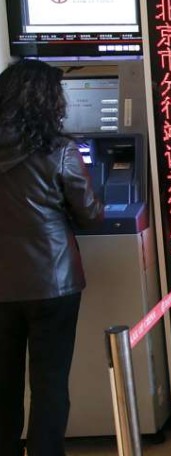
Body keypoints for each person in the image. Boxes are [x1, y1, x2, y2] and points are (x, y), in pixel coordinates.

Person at [0, 59, 103, 456]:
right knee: (49, 382)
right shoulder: (59, 150)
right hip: (52, 283)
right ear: (48, 101)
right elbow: (90, 214)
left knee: (3, 382)